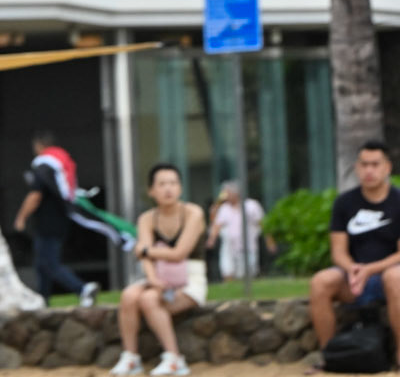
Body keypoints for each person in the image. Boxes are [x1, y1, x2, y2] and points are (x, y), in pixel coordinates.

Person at [308, 142, 400, 375]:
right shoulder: (344, 203)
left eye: (375, 165)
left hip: (396, 271)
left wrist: (370, 270)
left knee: (394, 277)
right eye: (364, 165)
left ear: (387, 167)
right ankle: (329, 356)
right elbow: (338, 251)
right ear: (356, 168)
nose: (369, 170)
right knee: (320, 282)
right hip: (354, 274)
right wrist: (352, 269)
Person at [110, 163, 206, 377]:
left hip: (190, 279)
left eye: (173, 183)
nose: (168, 189)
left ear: (180, 188)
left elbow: (180, 253)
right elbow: (145, 258)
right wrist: (153, 278)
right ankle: (130, 357)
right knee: (129, 295)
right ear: (151, 191)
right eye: (161, 184)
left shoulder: (193, 213)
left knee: (148, 300)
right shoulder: (146, 218)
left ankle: (174, 358)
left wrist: (145, 250)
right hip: (159, 277)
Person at [15, 130, 98, 306]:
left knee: (50, 263)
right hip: (61, 220)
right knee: (41, 264)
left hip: (47, 223)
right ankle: (43, 300)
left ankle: (83, 288)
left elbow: (35, 196)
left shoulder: (43, 166)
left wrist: (21, 218)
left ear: (39, 145)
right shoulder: (60, 164)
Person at [208, 182, 264, 284]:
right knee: (227, 270)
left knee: (246, 275)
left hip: (248, 246)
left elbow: (262, 223)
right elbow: (216, 224)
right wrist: (211, 240)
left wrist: (270, 241)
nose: (226, 195)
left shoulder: (251, 206)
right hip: (229, 246)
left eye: (227, 193)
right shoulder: (224, 208)